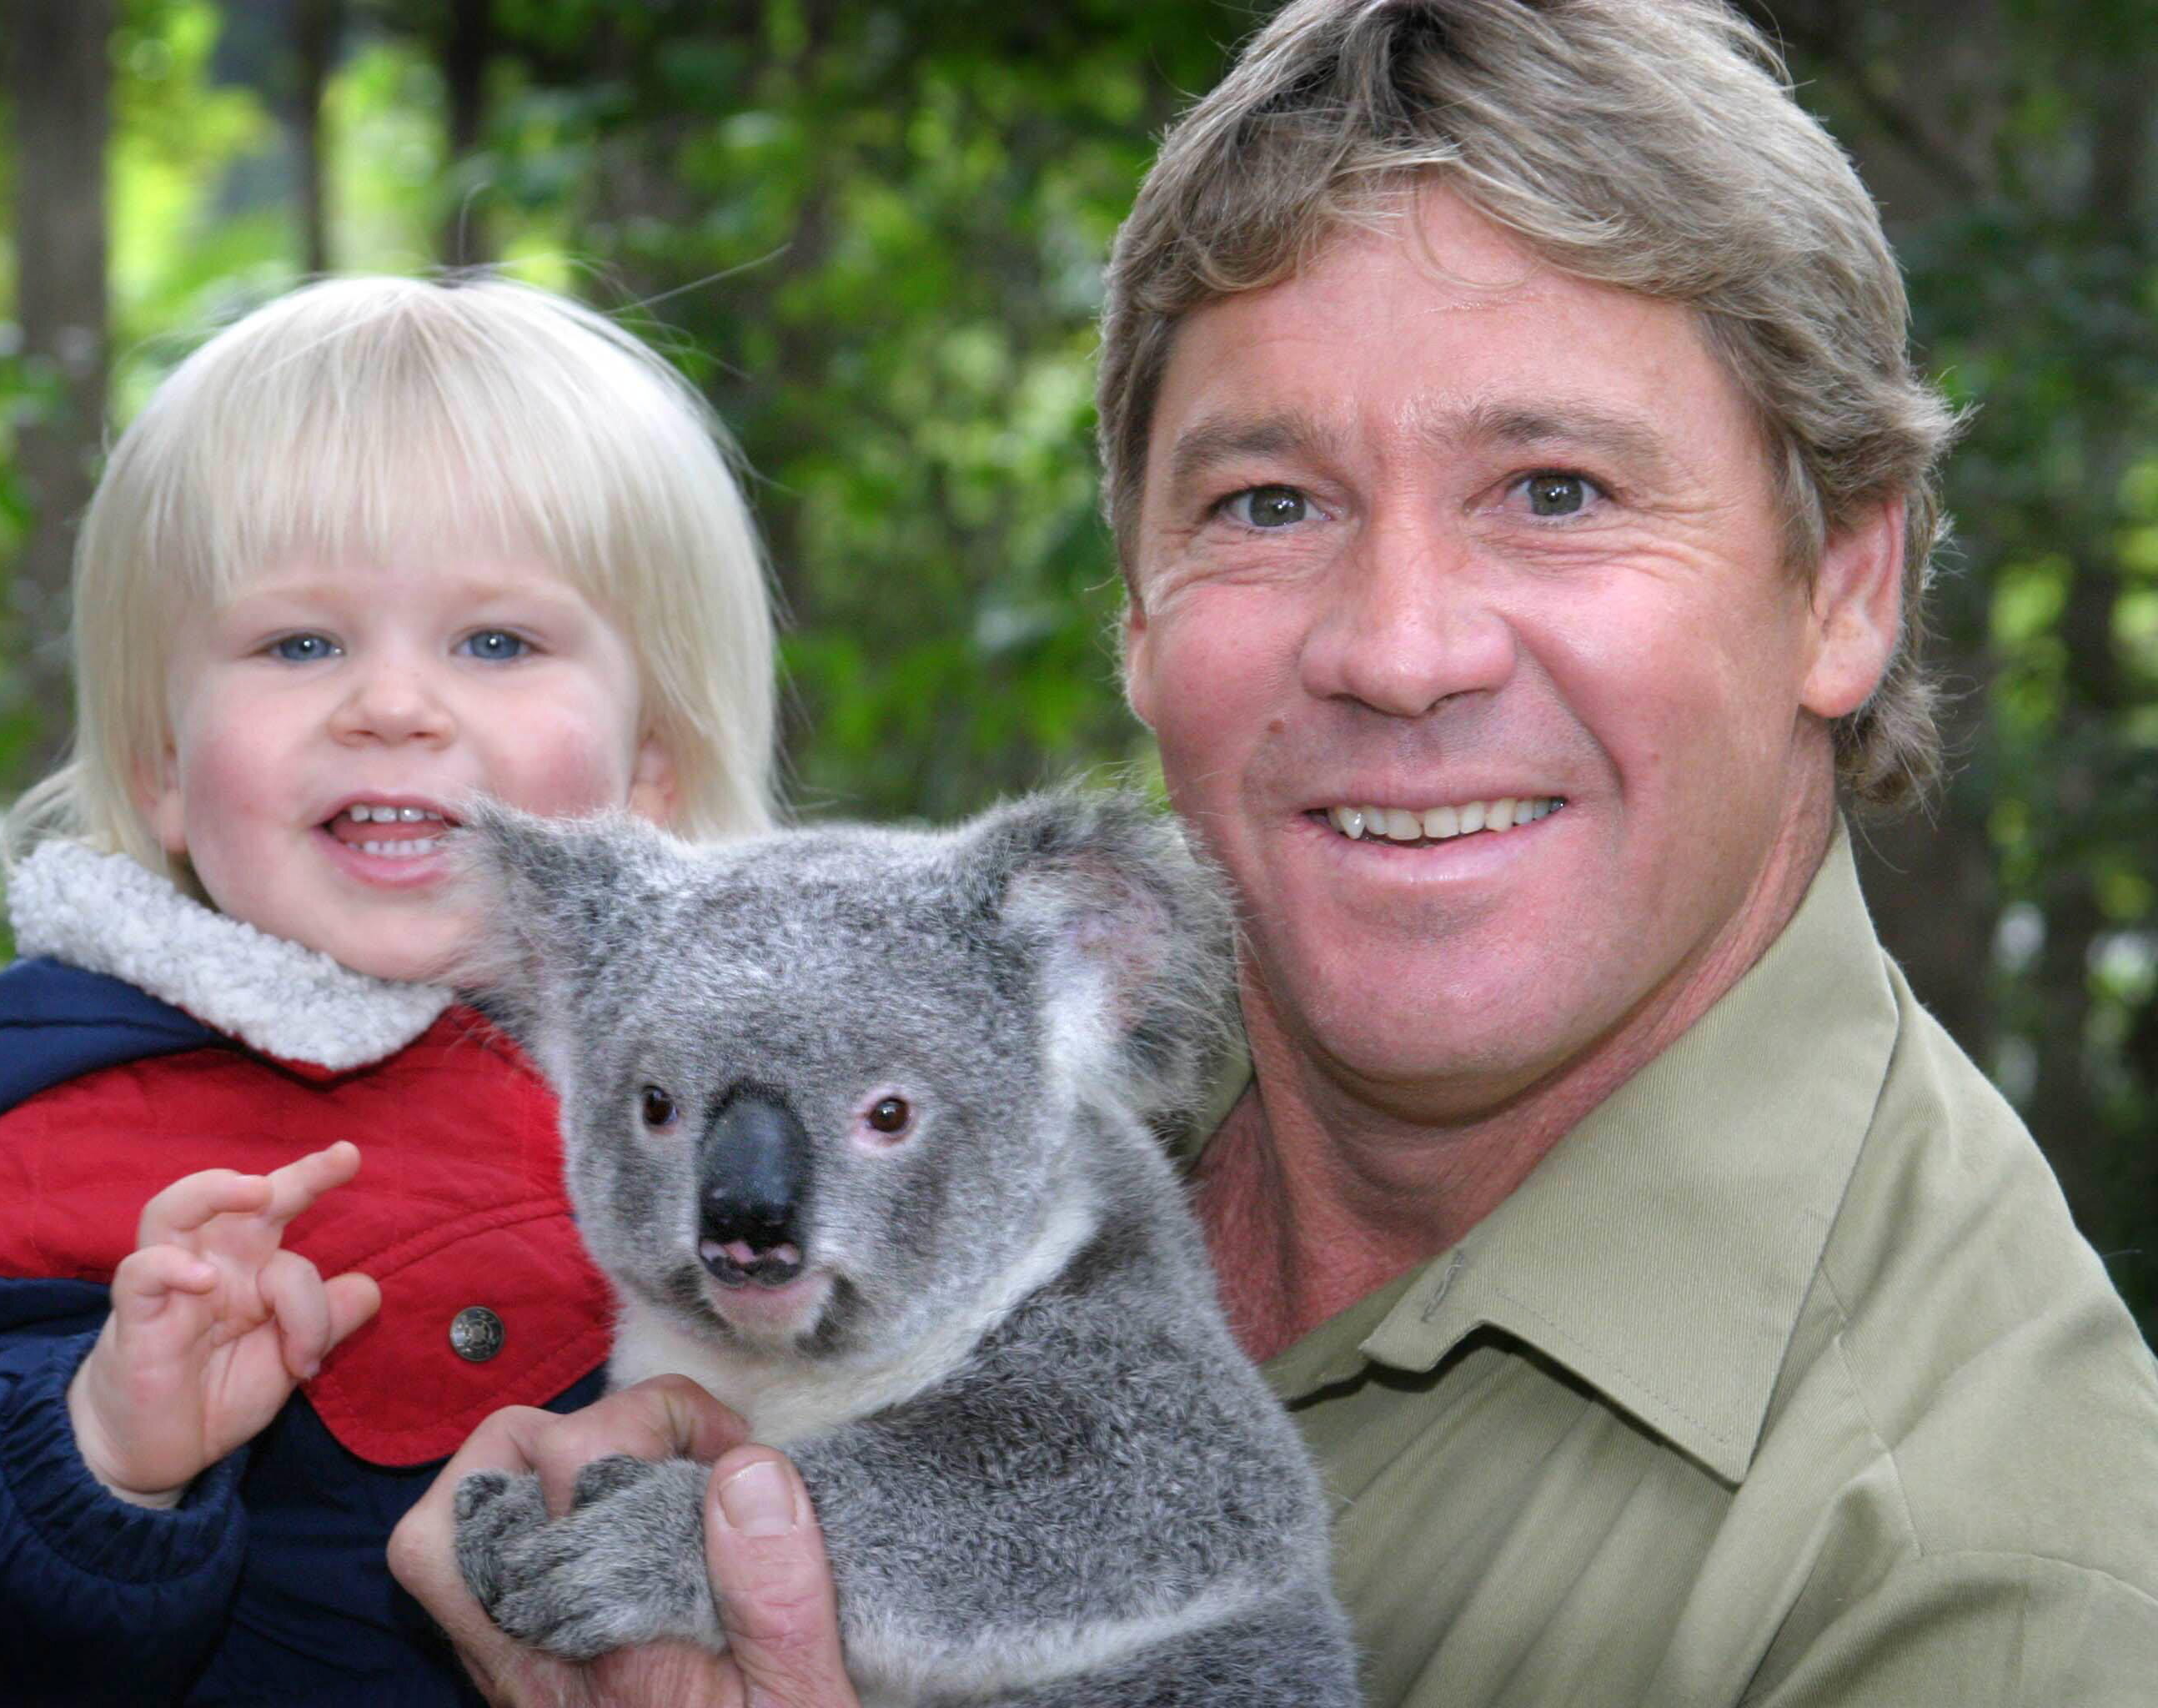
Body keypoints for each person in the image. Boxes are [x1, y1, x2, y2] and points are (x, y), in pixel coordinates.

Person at [389, 2, 2158, 1703]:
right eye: (1269, 504)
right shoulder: (983, 1028)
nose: (1401, 650)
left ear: (1845, 589)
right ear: (1138, 615)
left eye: (1556, 490)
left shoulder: (1996, 1569)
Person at [0, 274, 781, 1706]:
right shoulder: (66, 1134)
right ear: (164, 766)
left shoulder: (770, 1099)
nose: (394, 705)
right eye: (301, 644)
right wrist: (102, 1444)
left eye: (496, 642)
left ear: (651, 765)